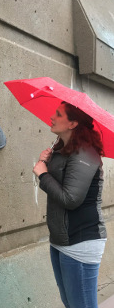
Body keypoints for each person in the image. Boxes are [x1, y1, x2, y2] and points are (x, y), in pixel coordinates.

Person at [33, 101, 107, 308]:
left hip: (81, 240)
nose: (52, 117)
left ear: (73, 123)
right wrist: (45, 162)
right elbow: (56, 185)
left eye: (58, 114)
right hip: (61, 239)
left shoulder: (85, 153)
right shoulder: (63, 150)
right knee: (71, 303)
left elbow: (71, 199)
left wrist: (43, 174)